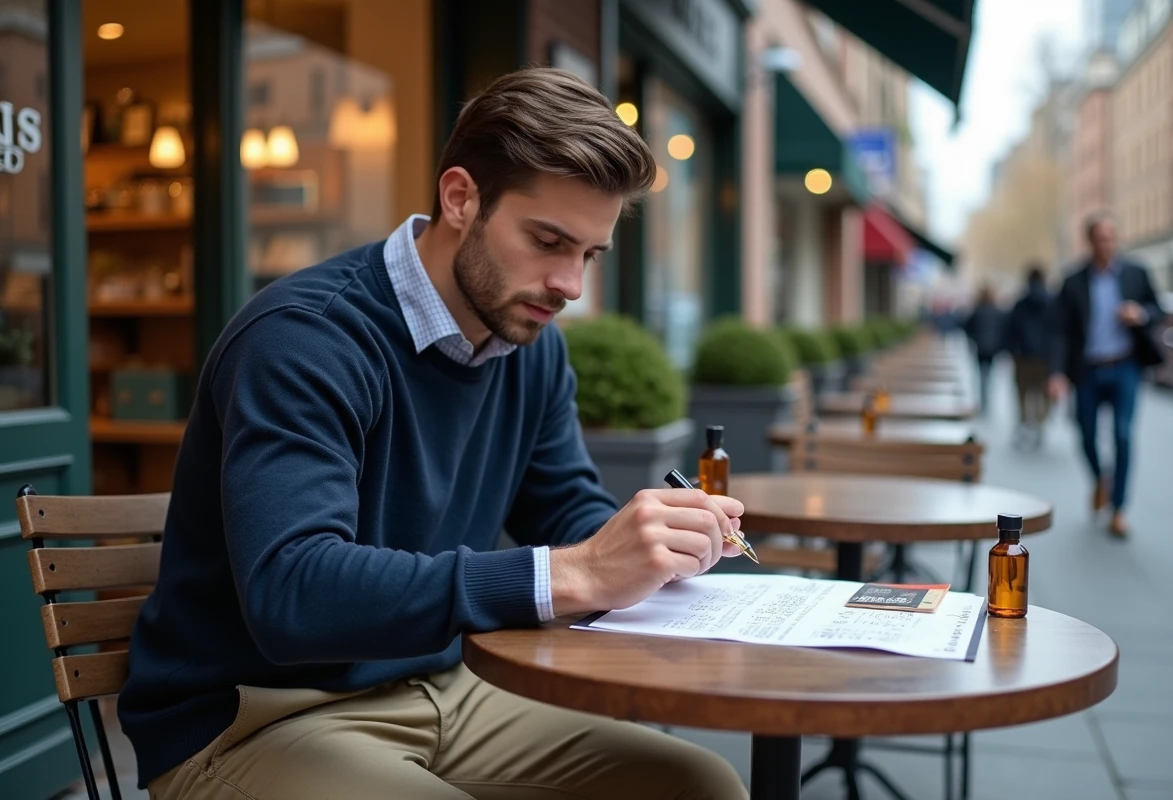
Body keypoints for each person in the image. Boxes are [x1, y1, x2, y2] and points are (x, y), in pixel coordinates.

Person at [117, 68, 750, 800]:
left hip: (445, 685)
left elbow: (566, 513)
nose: (570, 285)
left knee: (698, 783)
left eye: (589, 254)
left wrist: (653, 548)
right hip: (252, 717)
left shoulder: (530, 347)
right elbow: (293, 592)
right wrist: (572, 573)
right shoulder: (305, 340)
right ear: (461, 198)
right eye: (548, 240)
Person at [1048, 212, 1164, 537]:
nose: (1108, 244)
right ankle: (1101, 478)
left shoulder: (1136, 274)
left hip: (1125, 365)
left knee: (1124, 435)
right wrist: (1056, 374)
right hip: (1087, 370)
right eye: (1101, 238)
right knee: (1085, 435)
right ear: (1090, 242)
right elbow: (1060, 331)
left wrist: (1140, 314)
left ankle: (1118, 509)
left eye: (1112, 237)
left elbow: (1157, 309)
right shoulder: (1073, 281)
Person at [1006, 264, 1054, 447]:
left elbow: (1011, 330)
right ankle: (1039, 424)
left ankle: (1024, 423)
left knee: (1022, 395)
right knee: (1044, 395)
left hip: (1023, 359)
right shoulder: (1052, 302)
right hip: (1045, 359)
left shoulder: (1020, 303)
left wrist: (1013, 352)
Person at [962, 283, 1007, 413]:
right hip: (993, 347)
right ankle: (987, 397)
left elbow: (968, 326)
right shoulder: (997, 311)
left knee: (982, 373)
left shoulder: (977, 310)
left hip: (980, 346)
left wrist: (973, 339)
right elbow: (1003, 329)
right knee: (989, 372)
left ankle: (984, 398)